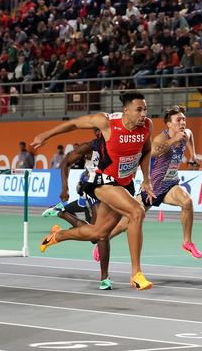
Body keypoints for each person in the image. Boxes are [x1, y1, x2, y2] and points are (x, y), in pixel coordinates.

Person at [31, 92, 156, 290]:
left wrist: (147, 179)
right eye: (139, 109)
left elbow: (147, 150)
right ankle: (136, 274)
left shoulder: (147, 125)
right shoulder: (106, 122)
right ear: (126, 111)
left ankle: (58, 236)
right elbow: (73, 124)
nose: (143, 114)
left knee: (99, 233)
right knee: (136, 211)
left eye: (145, 109)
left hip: (125, 184)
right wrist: (45, 135)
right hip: (102, 182)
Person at [108, 106, 202, 259]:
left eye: (184, 119)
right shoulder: (161, 138)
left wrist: (193, 154)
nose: (182, 122)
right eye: (178, 120)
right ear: (169, 124)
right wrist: (174, 140)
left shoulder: (186, 133)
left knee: (187, 202)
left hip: (171, 184)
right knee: (125, 224)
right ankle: (104, 239)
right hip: (153, 188)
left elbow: (190, 137)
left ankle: (187, 242)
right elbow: (153, 152)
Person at [41, 128, 113, 290]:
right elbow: (66, 161)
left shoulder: (119, 143)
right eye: (103, 129)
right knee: (102, 235)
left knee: (95, 236)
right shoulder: (90, 147)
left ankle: (61, 217)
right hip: (96, 189)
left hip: (114, 189)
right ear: (97, 132)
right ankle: (105, 278)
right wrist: (65, 188)